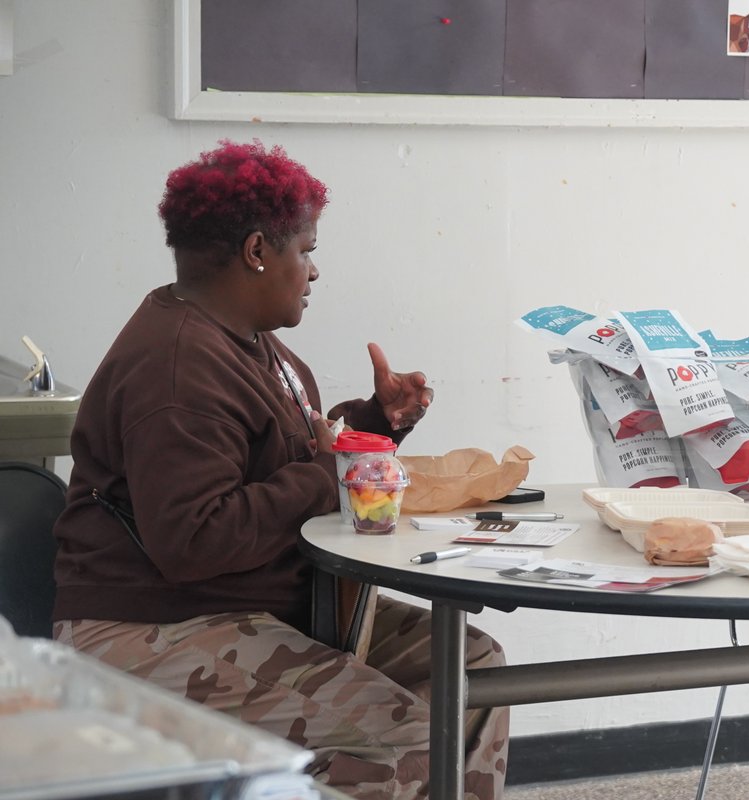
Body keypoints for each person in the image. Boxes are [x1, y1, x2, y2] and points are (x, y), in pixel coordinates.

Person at [51, 140, 508, 800]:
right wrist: (326, 471)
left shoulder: (247, 342)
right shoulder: (177, 369)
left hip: (254, 608)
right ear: (258, 251)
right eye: (308, 250)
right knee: (395, 732)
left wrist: (376, 423)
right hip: (151, 627)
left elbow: (287, 454)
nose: (315, 271)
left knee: (473, 670)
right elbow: (193, 541)